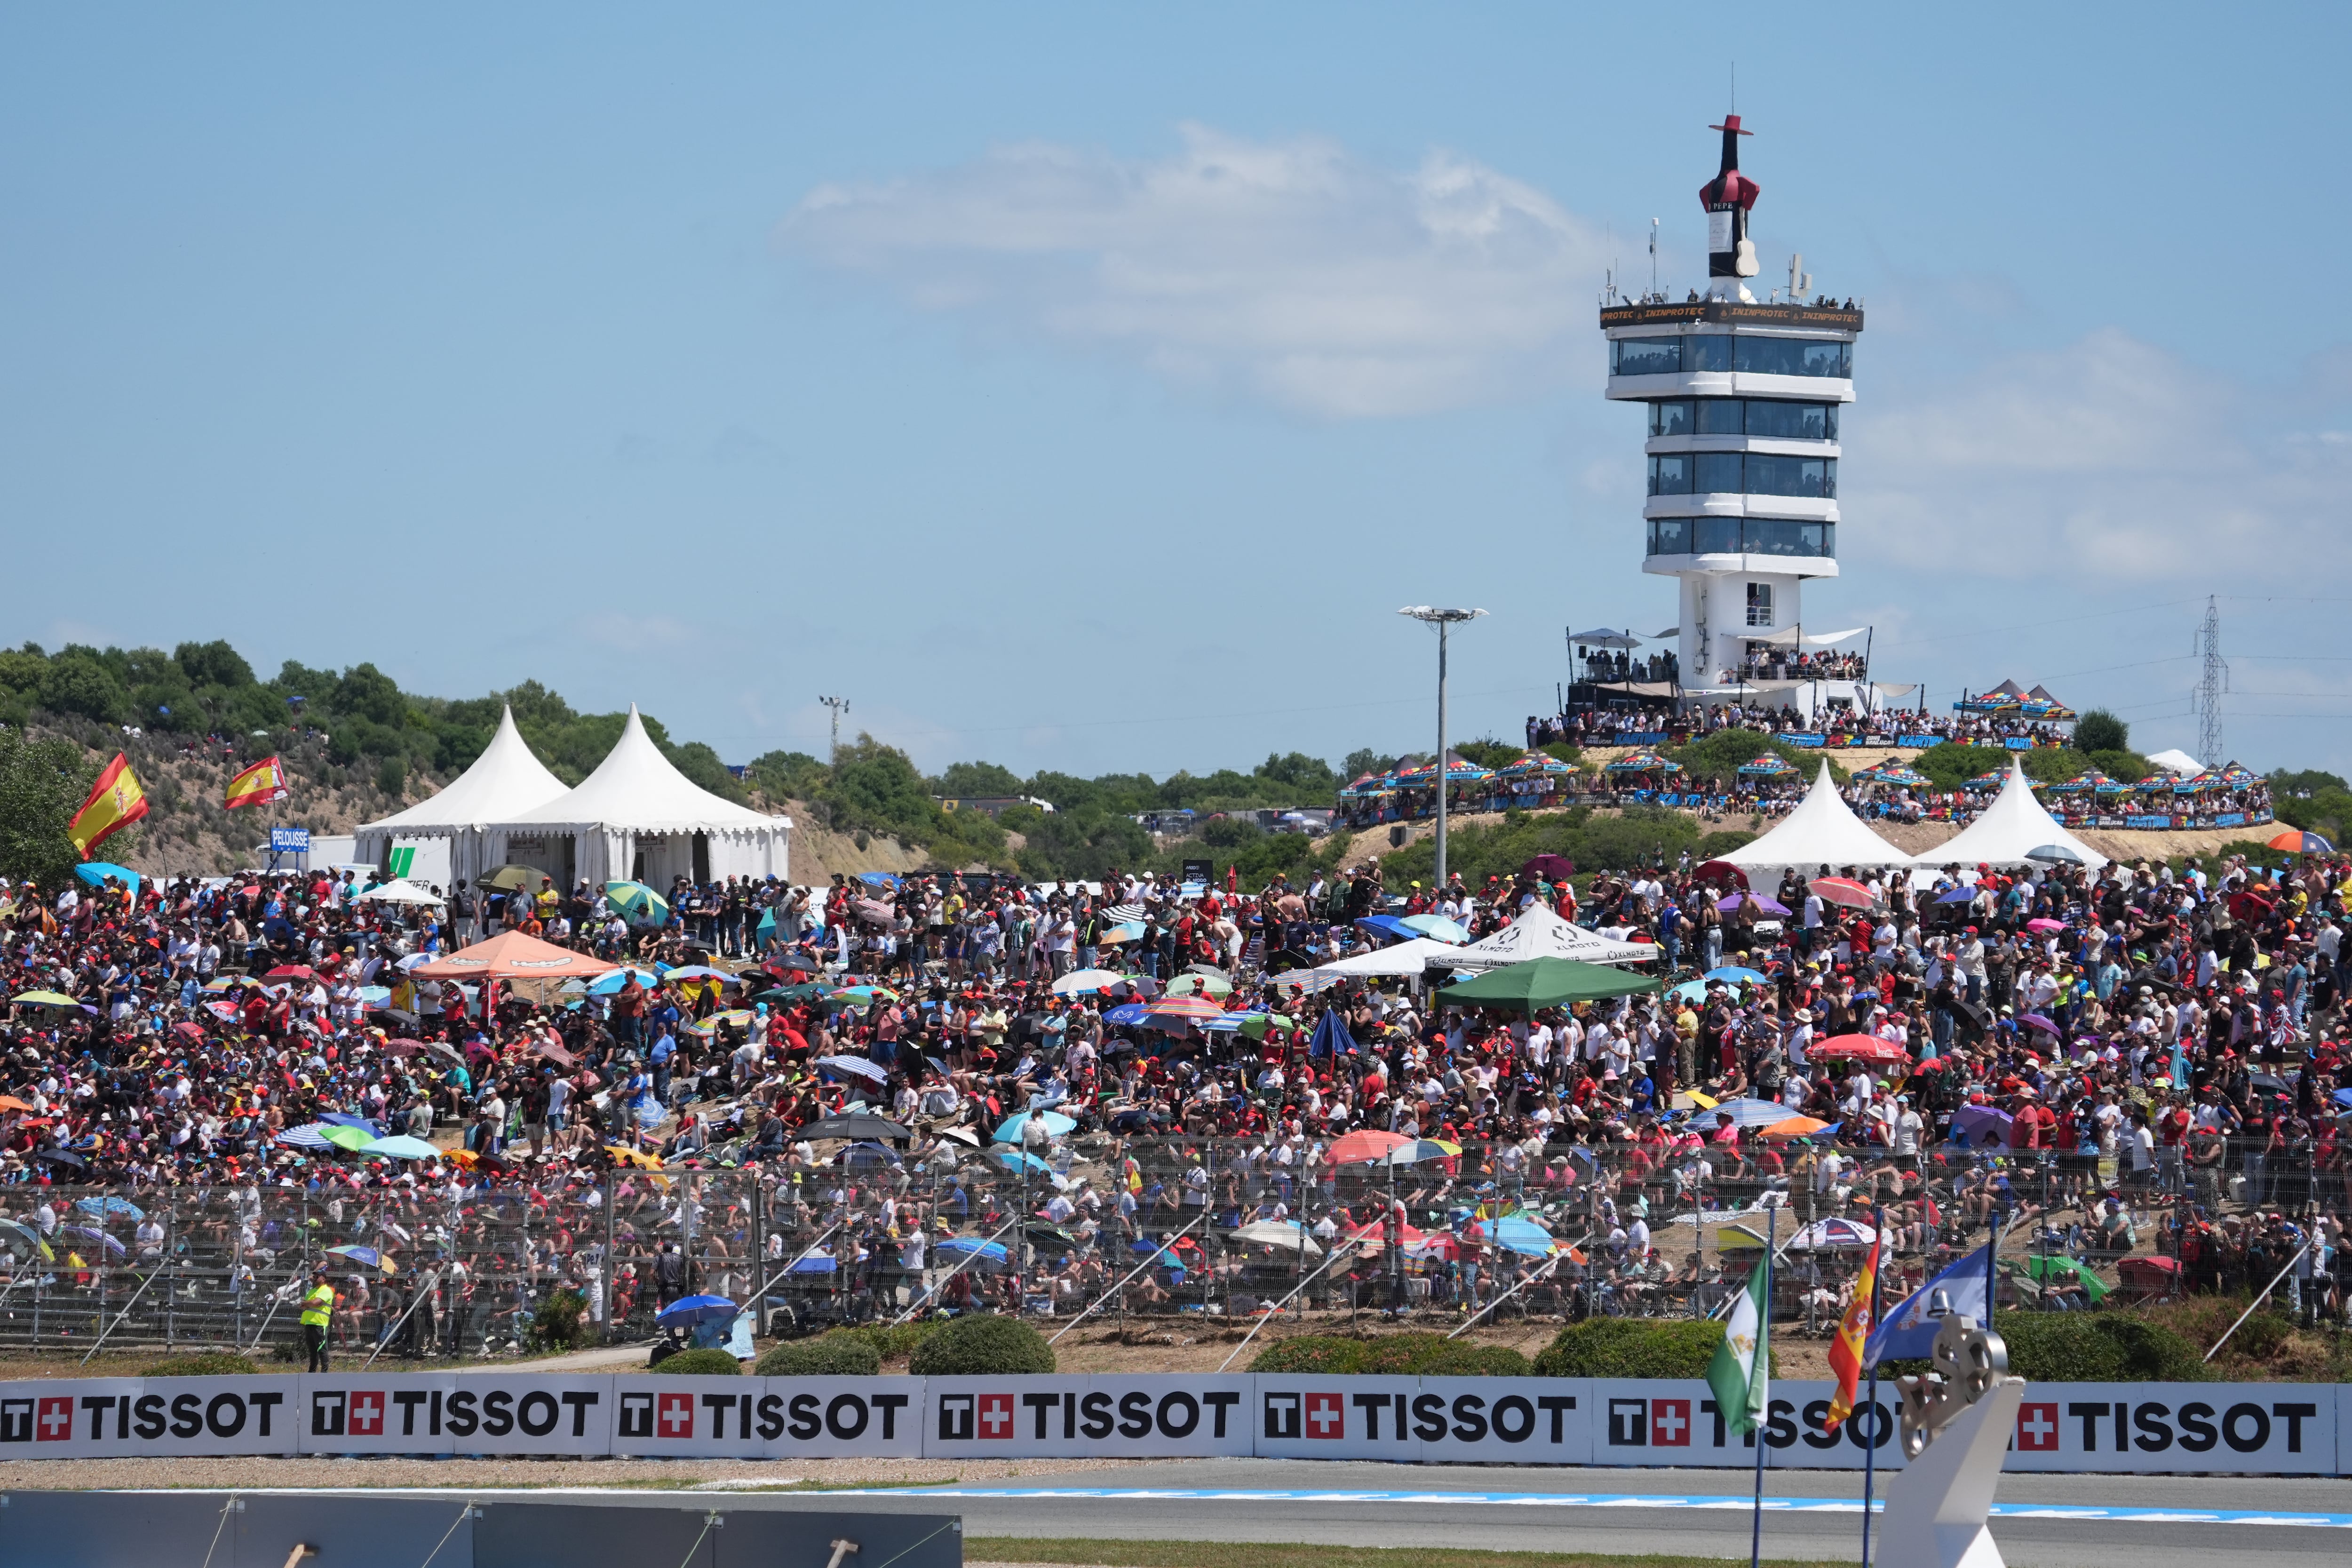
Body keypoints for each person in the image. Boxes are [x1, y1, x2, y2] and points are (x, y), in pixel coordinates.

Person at [300, 1265, 339, 1372]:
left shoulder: (326, 1290)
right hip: (309, 1323)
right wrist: (308, 1303)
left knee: (322, 1349)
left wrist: (308, 1303)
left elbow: (315, 1303)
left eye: (318, 1277)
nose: (315, 1279)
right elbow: (304, 1305)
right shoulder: (311, 1292)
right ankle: (312, 1372)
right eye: (315, 1277)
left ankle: (324, 1372)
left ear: (323, 1279)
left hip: (320, 1324)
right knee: (312, 1351)